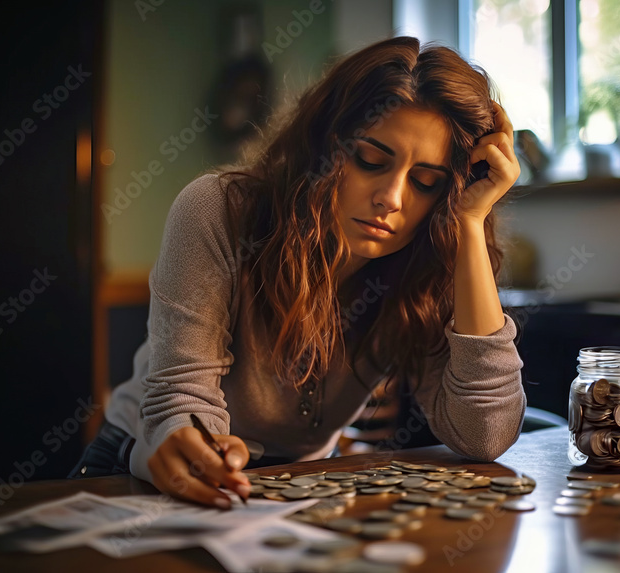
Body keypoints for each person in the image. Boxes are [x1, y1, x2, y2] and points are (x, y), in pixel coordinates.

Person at [69, 36, 527, 508]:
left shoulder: (429, 257)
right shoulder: (218, 211)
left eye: (425, 182)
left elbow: (485, 434)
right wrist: (205, 447)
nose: (391, 198)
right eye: (370, 159)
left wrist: (469, 224)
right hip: (140, 467)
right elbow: (180, 401)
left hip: (300, 488)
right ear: (324, 145)